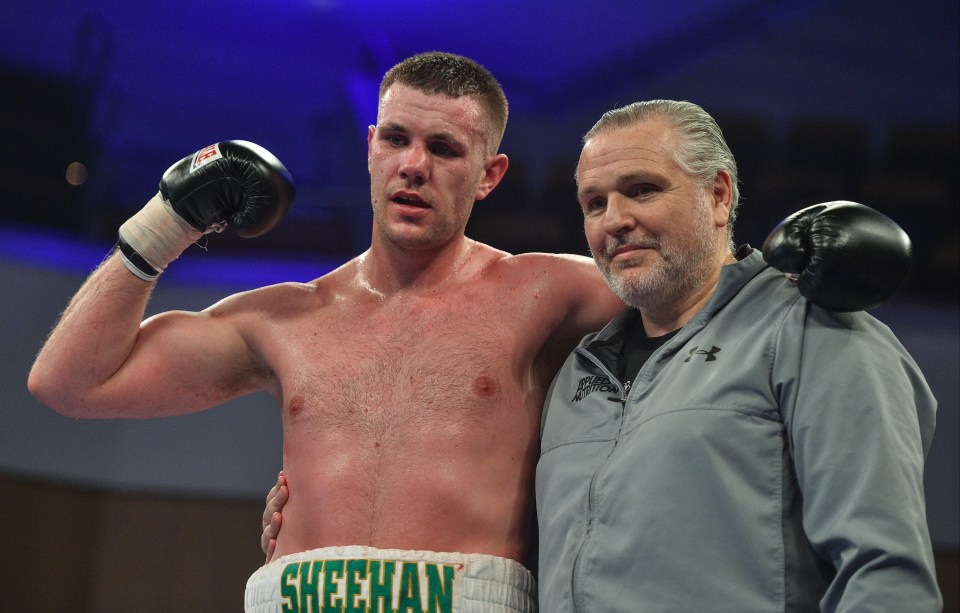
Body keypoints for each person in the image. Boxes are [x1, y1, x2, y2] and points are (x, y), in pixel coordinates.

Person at [28, 49, 912, 612]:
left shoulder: (550, 295)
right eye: (398, 140)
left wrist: (800, 258)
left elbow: (695, 290)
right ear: (370, 145)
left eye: (445, 150)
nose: (415, 165)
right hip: (300, 592)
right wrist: (166, 221)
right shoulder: (280, 316)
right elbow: (70, 382)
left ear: (488, 174)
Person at [533, 100, 941, 611]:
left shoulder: (809, 332)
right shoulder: (577, 371)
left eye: (643, 190)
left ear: (718, 195)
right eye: (595, 203)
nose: (614, 220)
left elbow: (885, 575)